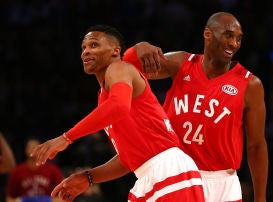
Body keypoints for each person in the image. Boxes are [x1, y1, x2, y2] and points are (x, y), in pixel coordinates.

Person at [30, 24, 205, 202]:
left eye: (94, 45)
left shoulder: (119, 68)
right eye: (83, 47)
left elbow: (119, 106)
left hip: (168, 169)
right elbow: (128, 158)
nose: (86, 51)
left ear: (115, 50)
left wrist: (66, 137)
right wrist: (89, 177)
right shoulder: (105, 96)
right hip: (149, 174)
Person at [122, 11, 268, 202]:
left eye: (239, 39)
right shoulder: (181, 63)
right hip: (175, 176)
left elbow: (256, 145)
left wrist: (261, 198)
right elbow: (124, 72)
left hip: (221, 184)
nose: (234, 43)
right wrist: (138, 48)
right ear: (208, 34)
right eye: (228, 35)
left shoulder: (250, 85)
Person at [6, 137, 64, 202]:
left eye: (36, 146)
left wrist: (46, 200)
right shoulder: (17, 171)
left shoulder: (53, 170)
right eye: (30, 147)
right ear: (25, 150)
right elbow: (9, 198)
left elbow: (62, 198)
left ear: (42, 149)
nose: (33, 149)